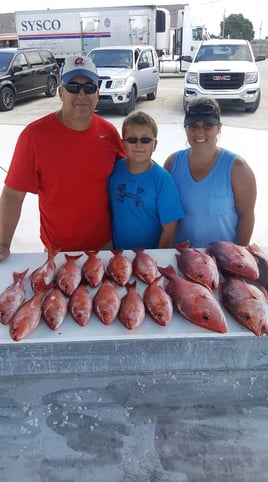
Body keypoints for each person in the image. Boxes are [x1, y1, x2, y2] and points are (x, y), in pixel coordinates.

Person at [0, 55, 125, 261]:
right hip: (57, 253)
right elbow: (13, 195)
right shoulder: (34, 137)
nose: (81, 94)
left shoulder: (109, 133)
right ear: (60, 93)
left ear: (97, 92)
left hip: (104, 248)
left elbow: (131, 176)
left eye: (89, 87)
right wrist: (3, 243)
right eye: (73, 87)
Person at [164, 96, 257, 248]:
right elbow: (165, 214)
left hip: (223, 260)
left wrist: (238, 256)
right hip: (183, 258)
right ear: (185, 128)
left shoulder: (237, 168)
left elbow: (247, 216)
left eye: (207, 126)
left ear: (219, 127)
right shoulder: (172, 163)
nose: (199, 133)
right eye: (193, 126)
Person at [108, 110, 184, 249]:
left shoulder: (163, 180)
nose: (139, 145)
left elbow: (170, 229)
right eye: (132, 139)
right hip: (120, 255)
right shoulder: (114, 171)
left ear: (154, 145)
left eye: (145, 140)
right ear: (123, 144)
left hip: (150, 258)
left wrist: (157, 259)